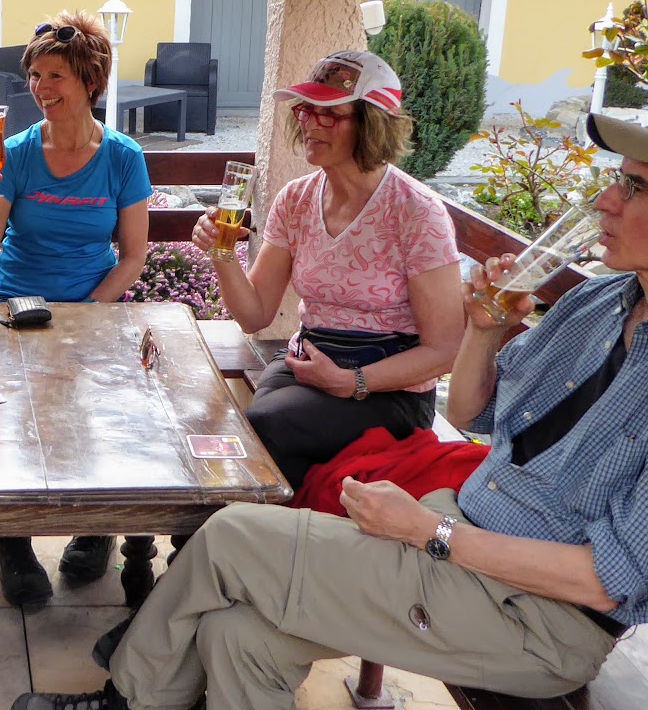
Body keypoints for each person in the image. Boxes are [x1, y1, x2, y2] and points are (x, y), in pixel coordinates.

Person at [9, 108, 648, 710]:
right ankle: (150, 688)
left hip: (537, 615)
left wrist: (430, 531)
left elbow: (612, 581)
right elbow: (473, 411)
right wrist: (483, 331)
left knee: (235, 534)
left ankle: (132, 706)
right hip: (467, 531)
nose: (606, 201)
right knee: (236, 634)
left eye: (634, 187)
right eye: (615, 180)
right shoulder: (606, 300)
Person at [191, 50, 464, 490]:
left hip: (390, 390)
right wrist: (221, 252)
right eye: (305, 110)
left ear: (372, 125)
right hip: (310, 361)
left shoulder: (416, 212)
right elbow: (254, 315)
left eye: (330, 115)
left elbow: (446, 348)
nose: (309, 124)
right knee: (242, 429)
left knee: (265, 428)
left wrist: (352, 381)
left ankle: (242, 532)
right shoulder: (296, 198)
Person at [0, 12, 152, 607]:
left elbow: (133, 257)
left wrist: (86, 313)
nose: (41, 87)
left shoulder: (122, 157)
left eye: (55, 76)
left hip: (93, 310)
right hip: (15, 307)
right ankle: (10, 539)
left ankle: (96, 527)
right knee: (9, 423)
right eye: (35, 75)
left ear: (90, 81)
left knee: (98, 418)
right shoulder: (14, 153)